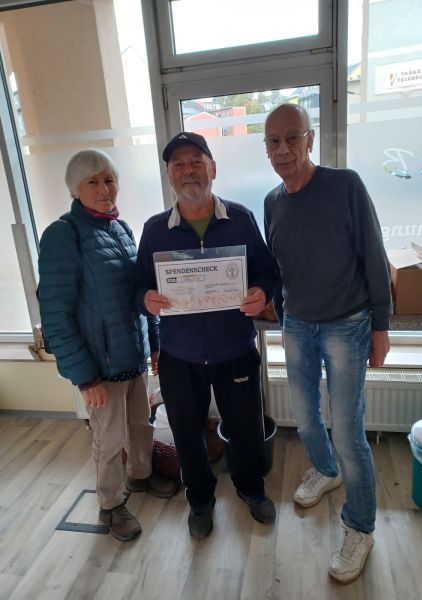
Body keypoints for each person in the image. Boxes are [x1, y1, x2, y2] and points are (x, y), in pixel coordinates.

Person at [263, 105, 392, 584]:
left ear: (310, 138)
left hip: (348, 325)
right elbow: (279, 268)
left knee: (348, 432)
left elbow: (374, 255)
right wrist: (281, 315)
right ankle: (325, 469)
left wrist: (381, 326)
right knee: (303, 414)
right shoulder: (272, 202)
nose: (283, 149)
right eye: (273, 141)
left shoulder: (345, 186)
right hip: (297, 324)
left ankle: (360, 527)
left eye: (291, 137)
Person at [135, 132, 278, 539]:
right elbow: (138, 285)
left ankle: (252, 489)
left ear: (212, 168)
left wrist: (261, 291)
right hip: (179, 354)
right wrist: (145, 298)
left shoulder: (241, 218)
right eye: (178, 165)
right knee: (186, 431)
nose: (189, 171)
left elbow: (267, 270)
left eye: (196, 161)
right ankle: (199, 499)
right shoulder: (155, 229)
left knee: (246, 426)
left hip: (234, 349)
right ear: (169, 175)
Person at [38, 149, 179, 543]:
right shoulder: (63, 235)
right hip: (100, 367)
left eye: (109, 180)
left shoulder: (121, 229)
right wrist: (85, 378)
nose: (104, 189)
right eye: (93, 182)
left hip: (133, 356)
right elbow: (56, 315)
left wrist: (154, 343)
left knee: (140, 424)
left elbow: (141, 293)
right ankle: (110, 504)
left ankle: (141, 476)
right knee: (109, 439)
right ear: (75, 189)